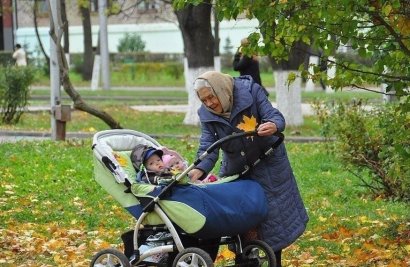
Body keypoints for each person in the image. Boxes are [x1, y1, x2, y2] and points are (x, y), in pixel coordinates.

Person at [188, 70, 309, 267]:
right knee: (242, 220)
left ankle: (272, 262)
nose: (209, 103)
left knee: (271, 222)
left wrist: (272, 125)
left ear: (222, 90)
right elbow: (208, 147)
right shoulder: (206, 114)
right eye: (204, 100)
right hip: (237, 170)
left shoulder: (250, 92)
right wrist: (197, 172)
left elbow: (274, 116)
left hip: (268, 165)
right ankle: (245, 262)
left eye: (211, 97)